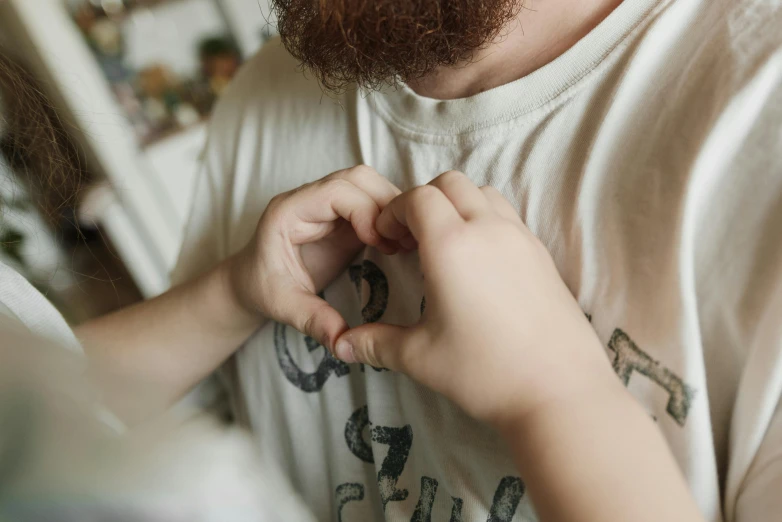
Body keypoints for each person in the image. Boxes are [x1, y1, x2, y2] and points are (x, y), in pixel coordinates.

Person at [3, 0, 781, 521]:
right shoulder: (269, 90)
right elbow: (73, 430)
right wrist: (234, 291)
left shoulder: (757, 112)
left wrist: (558, 396)